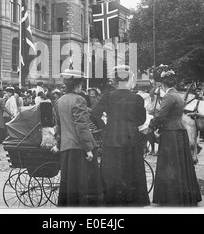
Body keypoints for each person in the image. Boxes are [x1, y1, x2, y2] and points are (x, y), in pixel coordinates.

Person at [92, 65, 149, 207]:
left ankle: (113, 201)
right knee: (132, 170)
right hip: (132, 138)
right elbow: (141, 120)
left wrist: (104, 127)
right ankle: (132, 201)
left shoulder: (108, 96)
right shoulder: (137, 98)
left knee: (112, 171)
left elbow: (94, 113)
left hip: (112, 137)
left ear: (115, 80)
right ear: (129, 78)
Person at [150, 67, 202, 206]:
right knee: (181, 164)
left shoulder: (168, 96)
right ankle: (184, 195)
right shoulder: (178, 95)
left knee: (170, 164)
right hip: (180, 131)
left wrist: (152, 125)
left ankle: (170, 197)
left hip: (170, 133)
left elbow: (161, 115)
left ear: (163, 84)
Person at [53, 69, 103, 207]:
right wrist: (88, 149)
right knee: (83, 183)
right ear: (78, 85)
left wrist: (58, 145)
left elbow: (59, 127)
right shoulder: (79, 100)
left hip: (66, 148)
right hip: (79, 148)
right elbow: (82, 127)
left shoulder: (59, 101)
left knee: (69, 182)